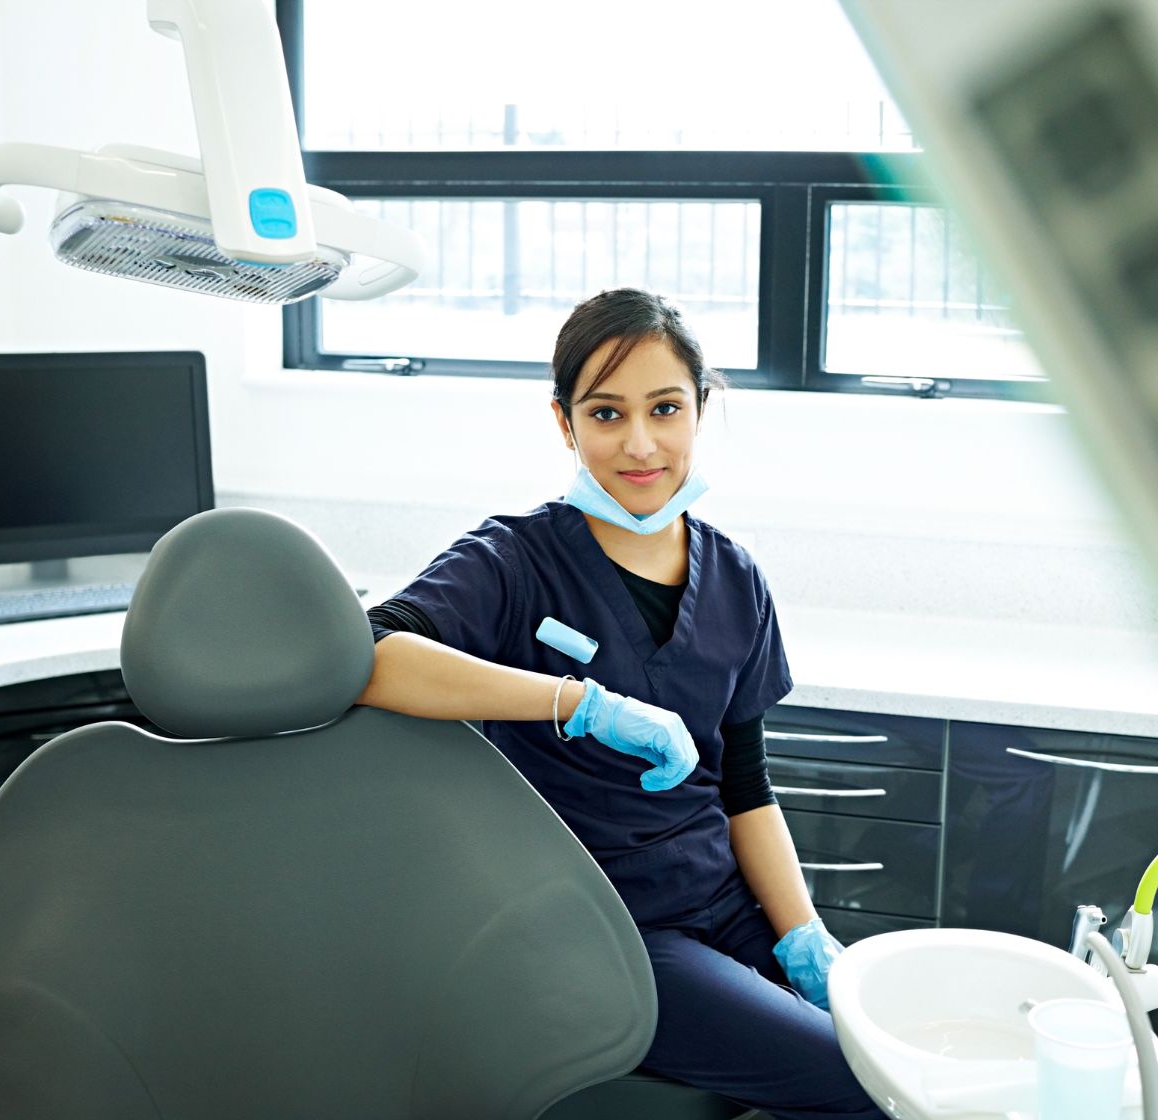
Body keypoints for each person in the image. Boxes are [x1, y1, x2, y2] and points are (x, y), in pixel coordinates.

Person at [357, 288, 887, 1120]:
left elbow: (746, 788)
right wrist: (577, 701)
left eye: (665, 408)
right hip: (606, 927)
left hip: (727, 904)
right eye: (607, 415)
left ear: (701, 410)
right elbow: (372, 656)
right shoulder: (514, 561)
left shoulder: (736, 579)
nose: (640, 444)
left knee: (895, 1048)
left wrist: (802, 938)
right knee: (858, 1084)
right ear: (566, 424)